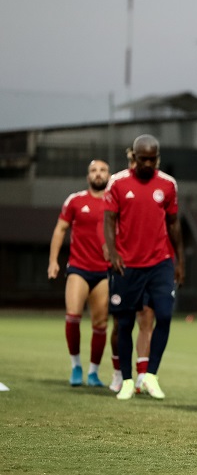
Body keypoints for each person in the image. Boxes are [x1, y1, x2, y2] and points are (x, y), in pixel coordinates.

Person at [104, 135, 185, 401]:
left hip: (160, 262)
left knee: (164, 315)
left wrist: (180, 261)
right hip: (128, 265)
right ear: (134, 157)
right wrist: (113, 253)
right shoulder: (117, 183)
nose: (148, 163)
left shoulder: (168, 185)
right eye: (143, 159)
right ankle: (127, 380)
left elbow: (174, 224)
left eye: (152, 159)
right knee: (124, 322)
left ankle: (150, 375)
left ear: (157, 158)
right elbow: (109, 220)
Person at [48, 159, 111, 387]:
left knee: (100, 323)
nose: (98, 174)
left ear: (109, 175)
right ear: (87, 177)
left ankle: (93, 372)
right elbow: (60, 229)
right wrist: (53, 261)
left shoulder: (115, 202)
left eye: (102, 170)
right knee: (73, 315)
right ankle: (76, 366)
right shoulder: (75, 200)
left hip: (104, 271)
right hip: (79, 268)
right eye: (93, 170)